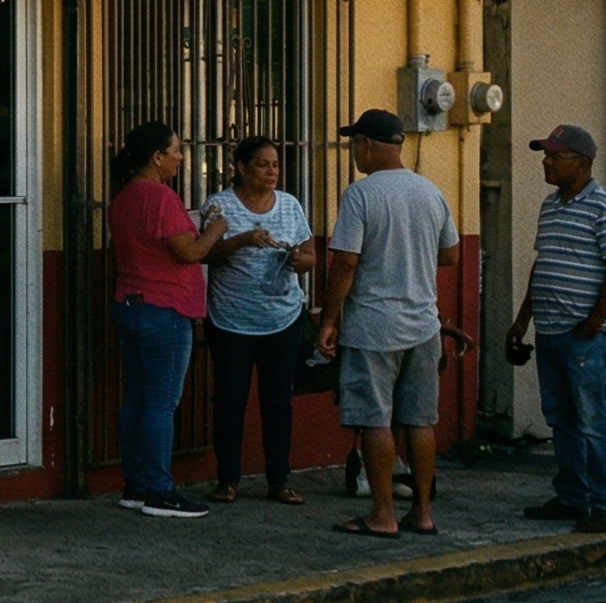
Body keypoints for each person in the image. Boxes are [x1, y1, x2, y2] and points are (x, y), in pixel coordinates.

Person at [318, 109, 461, 538]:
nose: (354, 152)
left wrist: (329, 319)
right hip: (423, 324)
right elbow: (451, 254)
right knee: (420, 421)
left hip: (375, 326)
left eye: (354, 144)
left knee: (375, 421)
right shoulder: (430, 192)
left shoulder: (361, 195)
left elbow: (345, 261)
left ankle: (382, 515)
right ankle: (422, 513)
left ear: (365, 144)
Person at [506, 124, 606, 533]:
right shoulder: (550, 205)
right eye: (546, 155)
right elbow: (543, 265)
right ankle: (572, 497)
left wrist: (593, 323)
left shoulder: (605, 207)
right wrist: (523, 320)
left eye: (555, 156)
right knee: (562, 420)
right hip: (551, 331)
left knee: (595, 421)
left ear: (583, 163)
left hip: (584, 337)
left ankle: (605, 505)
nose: (546, 162)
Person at [109, 120, 230, 519]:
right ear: (157, 157)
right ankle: (160, 491)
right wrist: (216, 228)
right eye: (176, 151)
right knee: (162, 403)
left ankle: (136, 484)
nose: (181, 157)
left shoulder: (124, 195)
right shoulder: (160, 197)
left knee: (138, 399)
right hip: (165, 309)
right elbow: (190, 252)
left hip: (130, 303)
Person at [202, 135, 316, 504]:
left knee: (278, 400)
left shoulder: (289, 205)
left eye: (276, 165)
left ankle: (278, 480)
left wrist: (302, 261)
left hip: (283, 318)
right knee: (231, 399)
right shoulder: (219, 206)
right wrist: (244, 240)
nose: (272, 172)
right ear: (241, 167)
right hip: (230, 318)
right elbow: (209, 254)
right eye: (263, 164)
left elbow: (310, 252)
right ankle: (227, 479)